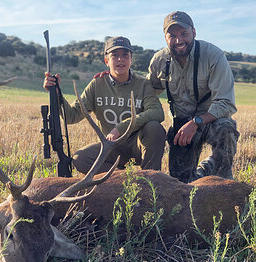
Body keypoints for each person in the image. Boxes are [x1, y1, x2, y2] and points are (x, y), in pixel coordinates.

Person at [44, 36, 166, 174]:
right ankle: (121, 180)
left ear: (131, 59)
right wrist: (56, 93)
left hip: (137, 145)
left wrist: (120, 128)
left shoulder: (143, 84)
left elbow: (157, 112)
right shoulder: (97, 84)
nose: (120, 59)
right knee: (80, 159)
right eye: (115, 55)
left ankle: (150, 182)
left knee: (155, 129)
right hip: (110, 147)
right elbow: (72, 116)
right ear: (106, 61)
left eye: (125, 55)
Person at [147, 11, 239, 183]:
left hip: (211, 119)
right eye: (172, 36)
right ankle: (206, 169)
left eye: (184, 34)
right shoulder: (159, 60)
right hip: (181, 125)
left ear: (194, 32)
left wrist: (196, 122)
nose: (178, 40)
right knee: (181, 184)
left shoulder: (213, 55)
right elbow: (146, 91)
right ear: (165, 37)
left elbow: (226, 103)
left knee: (226, 129)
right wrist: (116, 77)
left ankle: (223, 180)